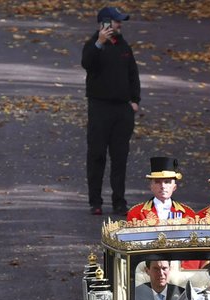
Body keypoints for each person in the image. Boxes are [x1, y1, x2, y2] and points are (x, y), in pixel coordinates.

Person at [82, 6, 140, 216]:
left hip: (122, 110)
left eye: (120, 22)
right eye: (116, 21)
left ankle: (119, 201)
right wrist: (99, 43)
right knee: (96, 155)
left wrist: (135, 100)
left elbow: (133, 73)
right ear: (104, 24)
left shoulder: (124, 46)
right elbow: (87, 64)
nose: (119, 25)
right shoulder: (93, 45)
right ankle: (95, 201)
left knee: (120, 157)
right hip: (99, 108)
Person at [126, 157, 196, 222]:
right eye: (157, 182)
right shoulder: (136, 213)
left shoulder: (188, 213)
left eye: (167, 182)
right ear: (151, 186)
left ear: (174, 187)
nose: (163, 186)